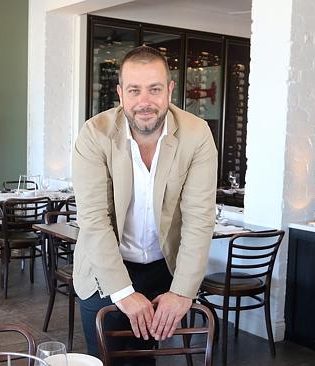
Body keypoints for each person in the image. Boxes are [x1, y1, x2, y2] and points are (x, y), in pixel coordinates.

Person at [72, 45, 217, 363]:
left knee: (144, 360)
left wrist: (181, 291)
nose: (145, 102)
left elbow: (200, 218)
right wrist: (123, 291)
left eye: (154, 89)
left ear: (169, 90)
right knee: (107, 360)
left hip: (160, 268)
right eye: (135, 90)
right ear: (121, 93)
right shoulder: (94, 135)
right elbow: (94, 219)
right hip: (103, 271)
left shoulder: (197, 134)